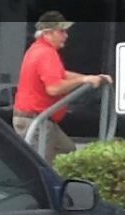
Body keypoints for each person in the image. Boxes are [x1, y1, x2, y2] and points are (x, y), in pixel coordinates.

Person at [12, 11, 112, 163]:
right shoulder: (45, 53)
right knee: (38, 168)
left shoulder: (39, 50)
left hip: (38, 120)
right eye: (62, 31)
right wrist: (84, 79)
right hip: (36, 122)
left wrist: (92, 78)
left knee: (68, 151)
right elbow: (54, 88)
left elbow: (61, 74)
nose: (66, 35)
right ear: (47, 33)